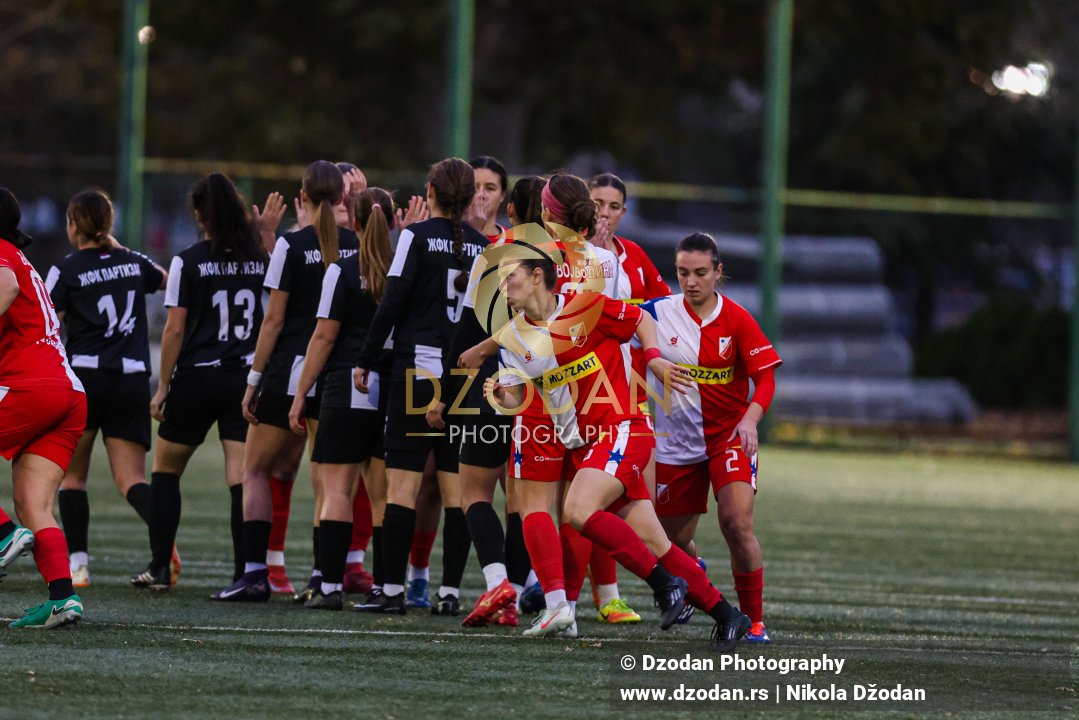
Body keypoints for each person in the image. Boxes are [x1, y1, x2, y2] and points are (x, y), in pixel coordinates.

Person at [213, 160, 358, 602]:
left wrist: (253, 379)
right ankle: (323, 577)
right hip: (336, 375)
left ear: (304, 197)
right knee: (328, 483)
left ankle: (255, 573)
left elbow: (273, 320)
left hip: (290, 370)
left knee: (254, 469)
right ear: (342, 199)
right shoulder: (355, 244)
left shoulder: (291, 246)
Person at [353, 157, 486, 615]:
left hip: (418, 371)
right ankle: (450, 594)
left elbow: (392, 302)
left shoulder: (415, 236)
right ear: (472, 200)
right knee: (458, 492)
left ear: (430, 191)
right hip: (464, 378)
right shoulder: (484, 246)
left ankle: (391, 591)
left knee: (402, 489)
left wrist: (368, 357)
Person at [132, 173, 269, 590]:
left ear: (198, 215)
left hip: (198, 377)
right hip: (243, 379)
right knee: (239, 477)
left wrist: (163, 386)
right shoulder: (259, 258)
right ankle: (245, 572)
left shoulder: (188, 260)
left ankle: (159, 566)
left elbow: (174, 331)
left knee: (166, 470)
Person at [645, 233, 780, 644]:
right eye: (683, 272)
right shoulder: (655, 313)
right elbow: (608, 318)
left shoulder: (737, 319)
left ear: (718, 272)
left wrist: (751, 420)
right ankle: (693, 571)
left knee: (736, 523)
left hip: (727, 440)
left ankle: (754, 621)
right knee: (670, 540)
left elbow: (766, 377)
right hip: (674, 444)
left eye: (701, 273)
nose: (691, 281)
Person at [44, 189, 167, 588]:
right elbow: (167, 280)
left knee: (72, 478)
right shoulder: (133, 261)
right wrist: (118, 251)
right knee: (131, 479)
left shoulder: (67, 269)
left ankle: (78, 565)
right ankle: (164, 549)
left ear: (73, 225)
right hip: (132, 379)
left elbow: (45, 318)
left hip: (85, 378)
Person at [286, 188, 394, 610]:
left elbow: (324, 335)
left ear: (355, 219)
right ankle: (387, 587)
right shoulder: (401, 271)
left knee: (337, 490)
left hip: (348, 384)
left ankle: (329, 586)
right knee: (383, 495)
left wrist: (300, 395)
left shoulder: (342, 270)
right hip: (390, 387)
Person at [584, 172, 672, 621]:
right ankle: (591, 589)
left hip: (630, 388)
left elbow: (664, 309)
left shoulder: (634, 257)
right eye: (596, 202)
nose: (604, 212)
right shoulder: (577, 256)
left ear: (623, 211)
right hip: (579, 390)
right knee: (583, 495)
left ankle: (658, 578)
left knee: (632, 494)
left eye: (613, 205)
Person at [0, 187, 87, 628]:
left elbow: (6, 286)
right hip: (68, 392)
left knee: (21, 518)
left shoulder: (2, 255)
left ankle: (2, 536)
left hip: (33, 383)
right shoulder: (20, 256)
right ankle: (62, 598)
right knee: (33, 503)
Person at [469, 156, 508, 242]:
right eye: (474, 187)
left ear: (502, 195)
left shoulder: (513, 243)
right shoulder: (449, 237)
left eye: (490, 188)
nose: (481, 194)